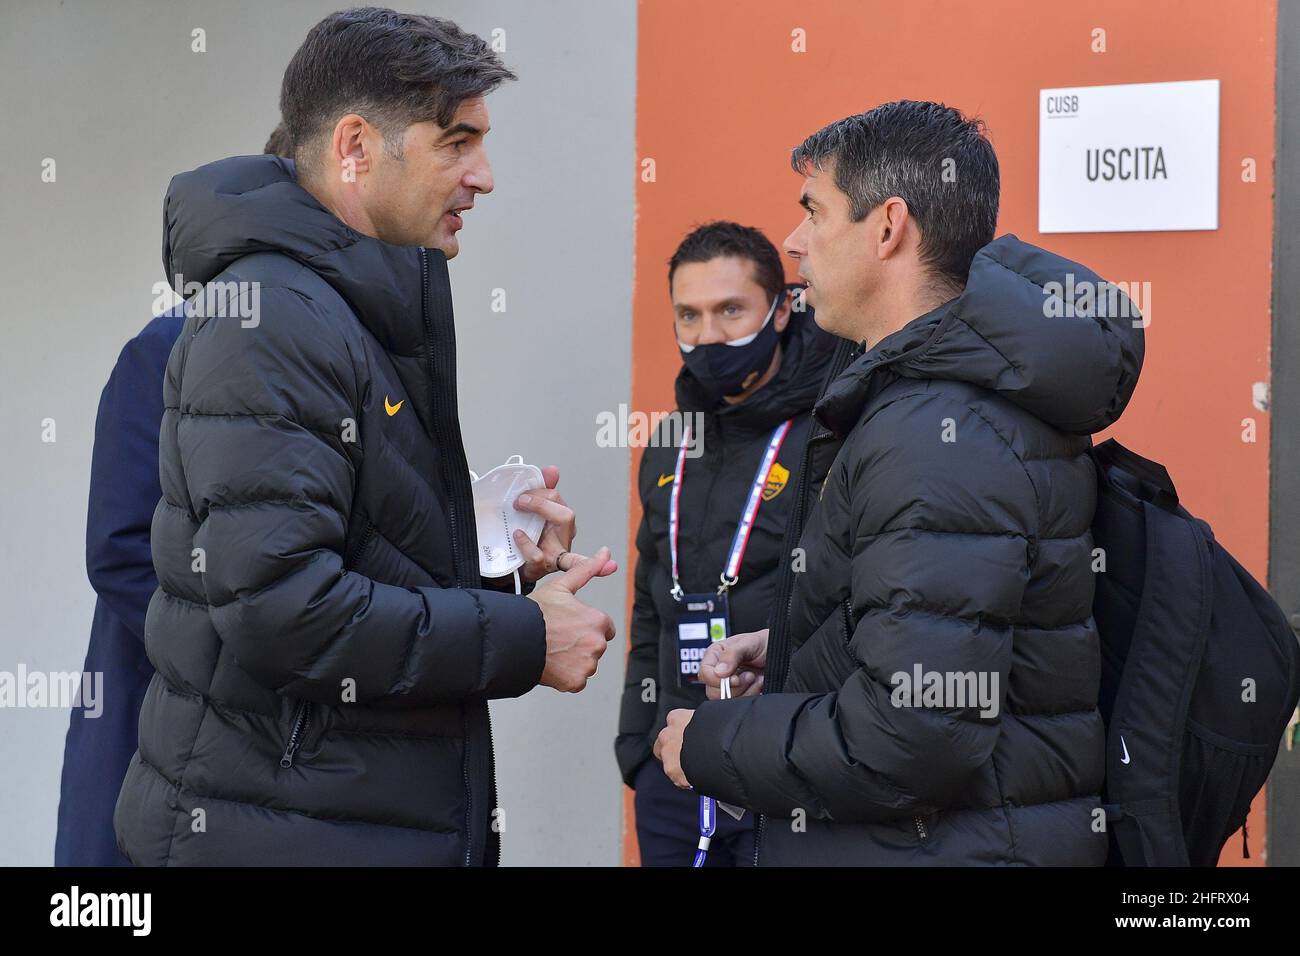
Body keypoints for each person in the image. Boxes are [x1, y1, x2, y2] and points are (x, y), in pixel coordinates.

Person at [113, 7, 616, 867]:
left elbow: (345, 553)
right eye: (456, 142)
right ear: (355, 147)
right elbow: (285, 612)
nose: (484, 177)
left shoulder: (348, 304)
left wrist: (496, 563)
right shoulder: (272, 317)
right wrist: (526, 640)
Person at [654, 100, 1145, 865]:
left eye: (813, 211)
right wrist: (791, 651)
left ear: (887, 227)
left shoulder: (937, 430)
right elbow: (946, 636)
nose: (794, 242)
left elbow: (913, 734)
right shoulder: (942, 403)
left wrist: (716, 743)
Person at [54, 126, 295, 867]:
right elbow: (121, 552)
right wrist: (268, 662)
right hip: (156, 749)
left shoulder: (346, 360)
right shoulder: (164, 350)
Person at [616, 222, 836, 866]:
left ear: (781, 308)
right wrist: (641, 750)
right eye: (689, 315)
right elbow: (651, 604)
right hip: (676, 765)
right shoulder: (670, 442)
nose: (708, 336)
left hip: (788, 768)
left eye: (730, 310)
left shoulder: (832, 427)